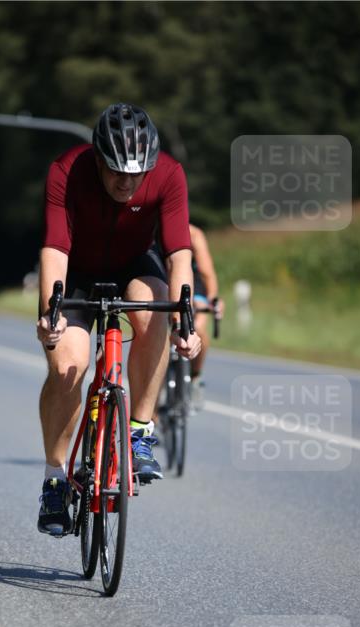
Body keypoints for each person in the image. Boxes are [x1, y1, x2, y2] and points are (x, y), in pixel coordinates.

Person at [36, 103, 200, 536]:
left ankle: (139, 431)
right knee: (68, 366)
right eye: (115, 172)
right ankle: (55, 478)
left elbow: (179, 252)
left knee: (155, 306)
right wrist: (50, 315)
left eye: (136, 173)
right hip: (77, 270)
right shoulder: (66, 170)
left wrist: (186, 323)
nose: (126, 182)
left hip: (133, 263)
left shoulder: (168, 174)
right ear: (97, 158)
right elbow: (54, 248)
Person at [188, 223, 224, 411]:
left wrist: (213, 300)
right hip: (163, 280)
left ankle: (195, 376)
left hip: (194, 284)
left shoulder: (194, 235)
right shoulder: (150, 228)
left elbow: (207, 273)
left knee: (199, 328)